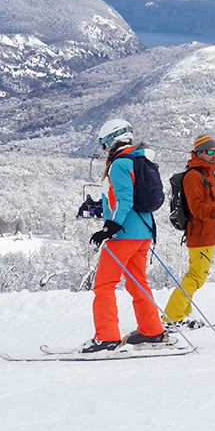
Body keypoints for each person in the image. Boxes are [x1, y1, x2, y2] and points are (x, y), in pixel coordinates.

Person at [84, 118, 169, 353]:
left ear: (112, 140)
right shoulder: (140, 159)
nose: (103, 150)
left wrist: (109, 227)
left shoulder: (120, 164)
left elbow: (124, 200)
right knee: (137, 282)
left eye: (103, 144)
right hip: (144, 232)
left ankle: (107, 337)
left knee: (104, 285)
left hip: (123, 234)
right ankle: (152, 330)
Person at [163, 135, 215, 328]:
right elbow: (197, 208)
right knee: (195, 278)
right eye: (210, 152)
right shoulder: (194, 176)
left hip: (209, 233)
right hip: (199, 234)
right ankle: (170, 318)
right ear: (199, 153)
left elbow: (212, 201)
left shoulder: (209, 174)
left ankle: (179, 315)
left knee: (195, 277)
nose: (214, 155)